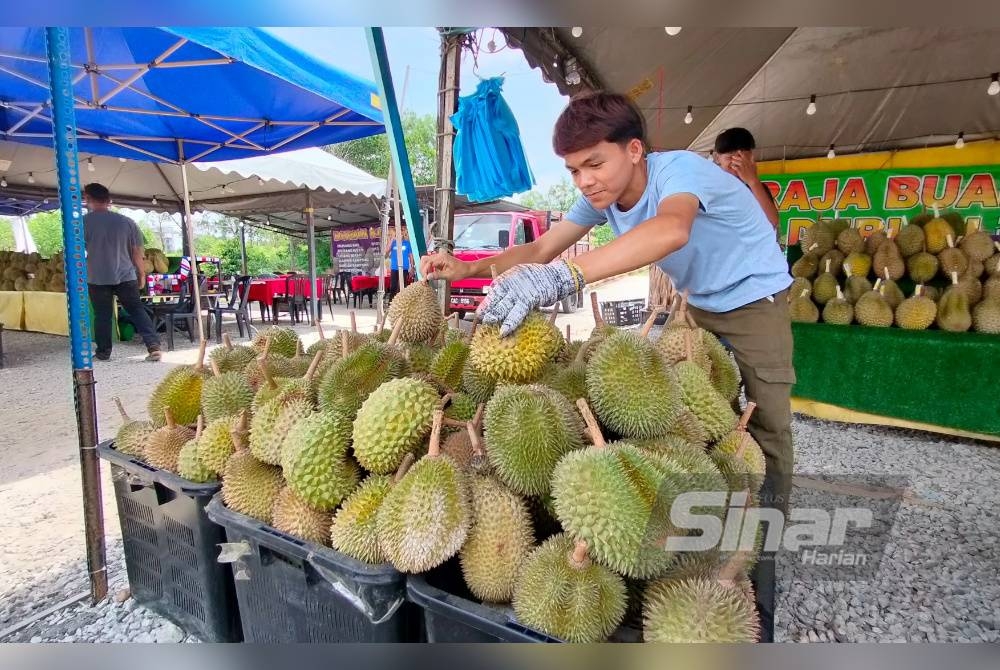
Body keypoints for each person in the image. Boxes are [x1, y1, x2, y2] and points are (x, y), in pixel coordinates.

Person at [420, 91, 794, 642]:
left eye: (595, 163)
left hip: (754, 296)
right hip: (700, 300)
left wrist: (570, 277)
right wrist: (471, 267)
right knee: (712, 422)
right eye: (573, 170)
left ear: (635, 150)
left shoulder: (680, 172)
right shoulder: (602, 198)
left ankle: (764, 561)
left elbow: (671, 231)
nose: (585, 181)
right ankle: (708, 528)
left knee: (767, 427)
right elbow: (545, 247)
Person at [82, 183, 162, 362]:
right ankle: (153, 346)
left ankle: (103, 352)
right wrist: (141, 274)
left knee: (102, 315)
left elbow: (75, 252)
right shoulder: (127, 222)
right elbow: (137, 253)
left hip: (97, 277)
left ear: (87, 198)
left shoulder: (82, 223)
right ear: (108, 200)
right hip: (126, 275)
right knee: (136, 310)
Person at [713, 127, 780, 229]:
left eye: (741, 157)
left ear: (751, 157)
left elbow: (772, 222)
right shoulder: (709, 185)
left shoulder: (757, 188)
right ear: (717, 158)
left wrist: (753, 181)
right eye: (730, 157)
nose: (736, 162)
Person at [384, 226, 415, 300]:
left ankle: (401, 303)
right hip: (394, 267)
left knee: (402, 286)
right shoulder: (393, 243)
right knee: (393, 287)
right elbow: (386, 251)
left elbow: (411, 256)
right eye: (397, 234)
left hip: (404, 267)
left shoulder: (407, 243)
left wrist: (412, 267)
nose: (399, 235)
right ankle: (391, 303)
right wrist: (392, 239)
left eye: (400, 233)